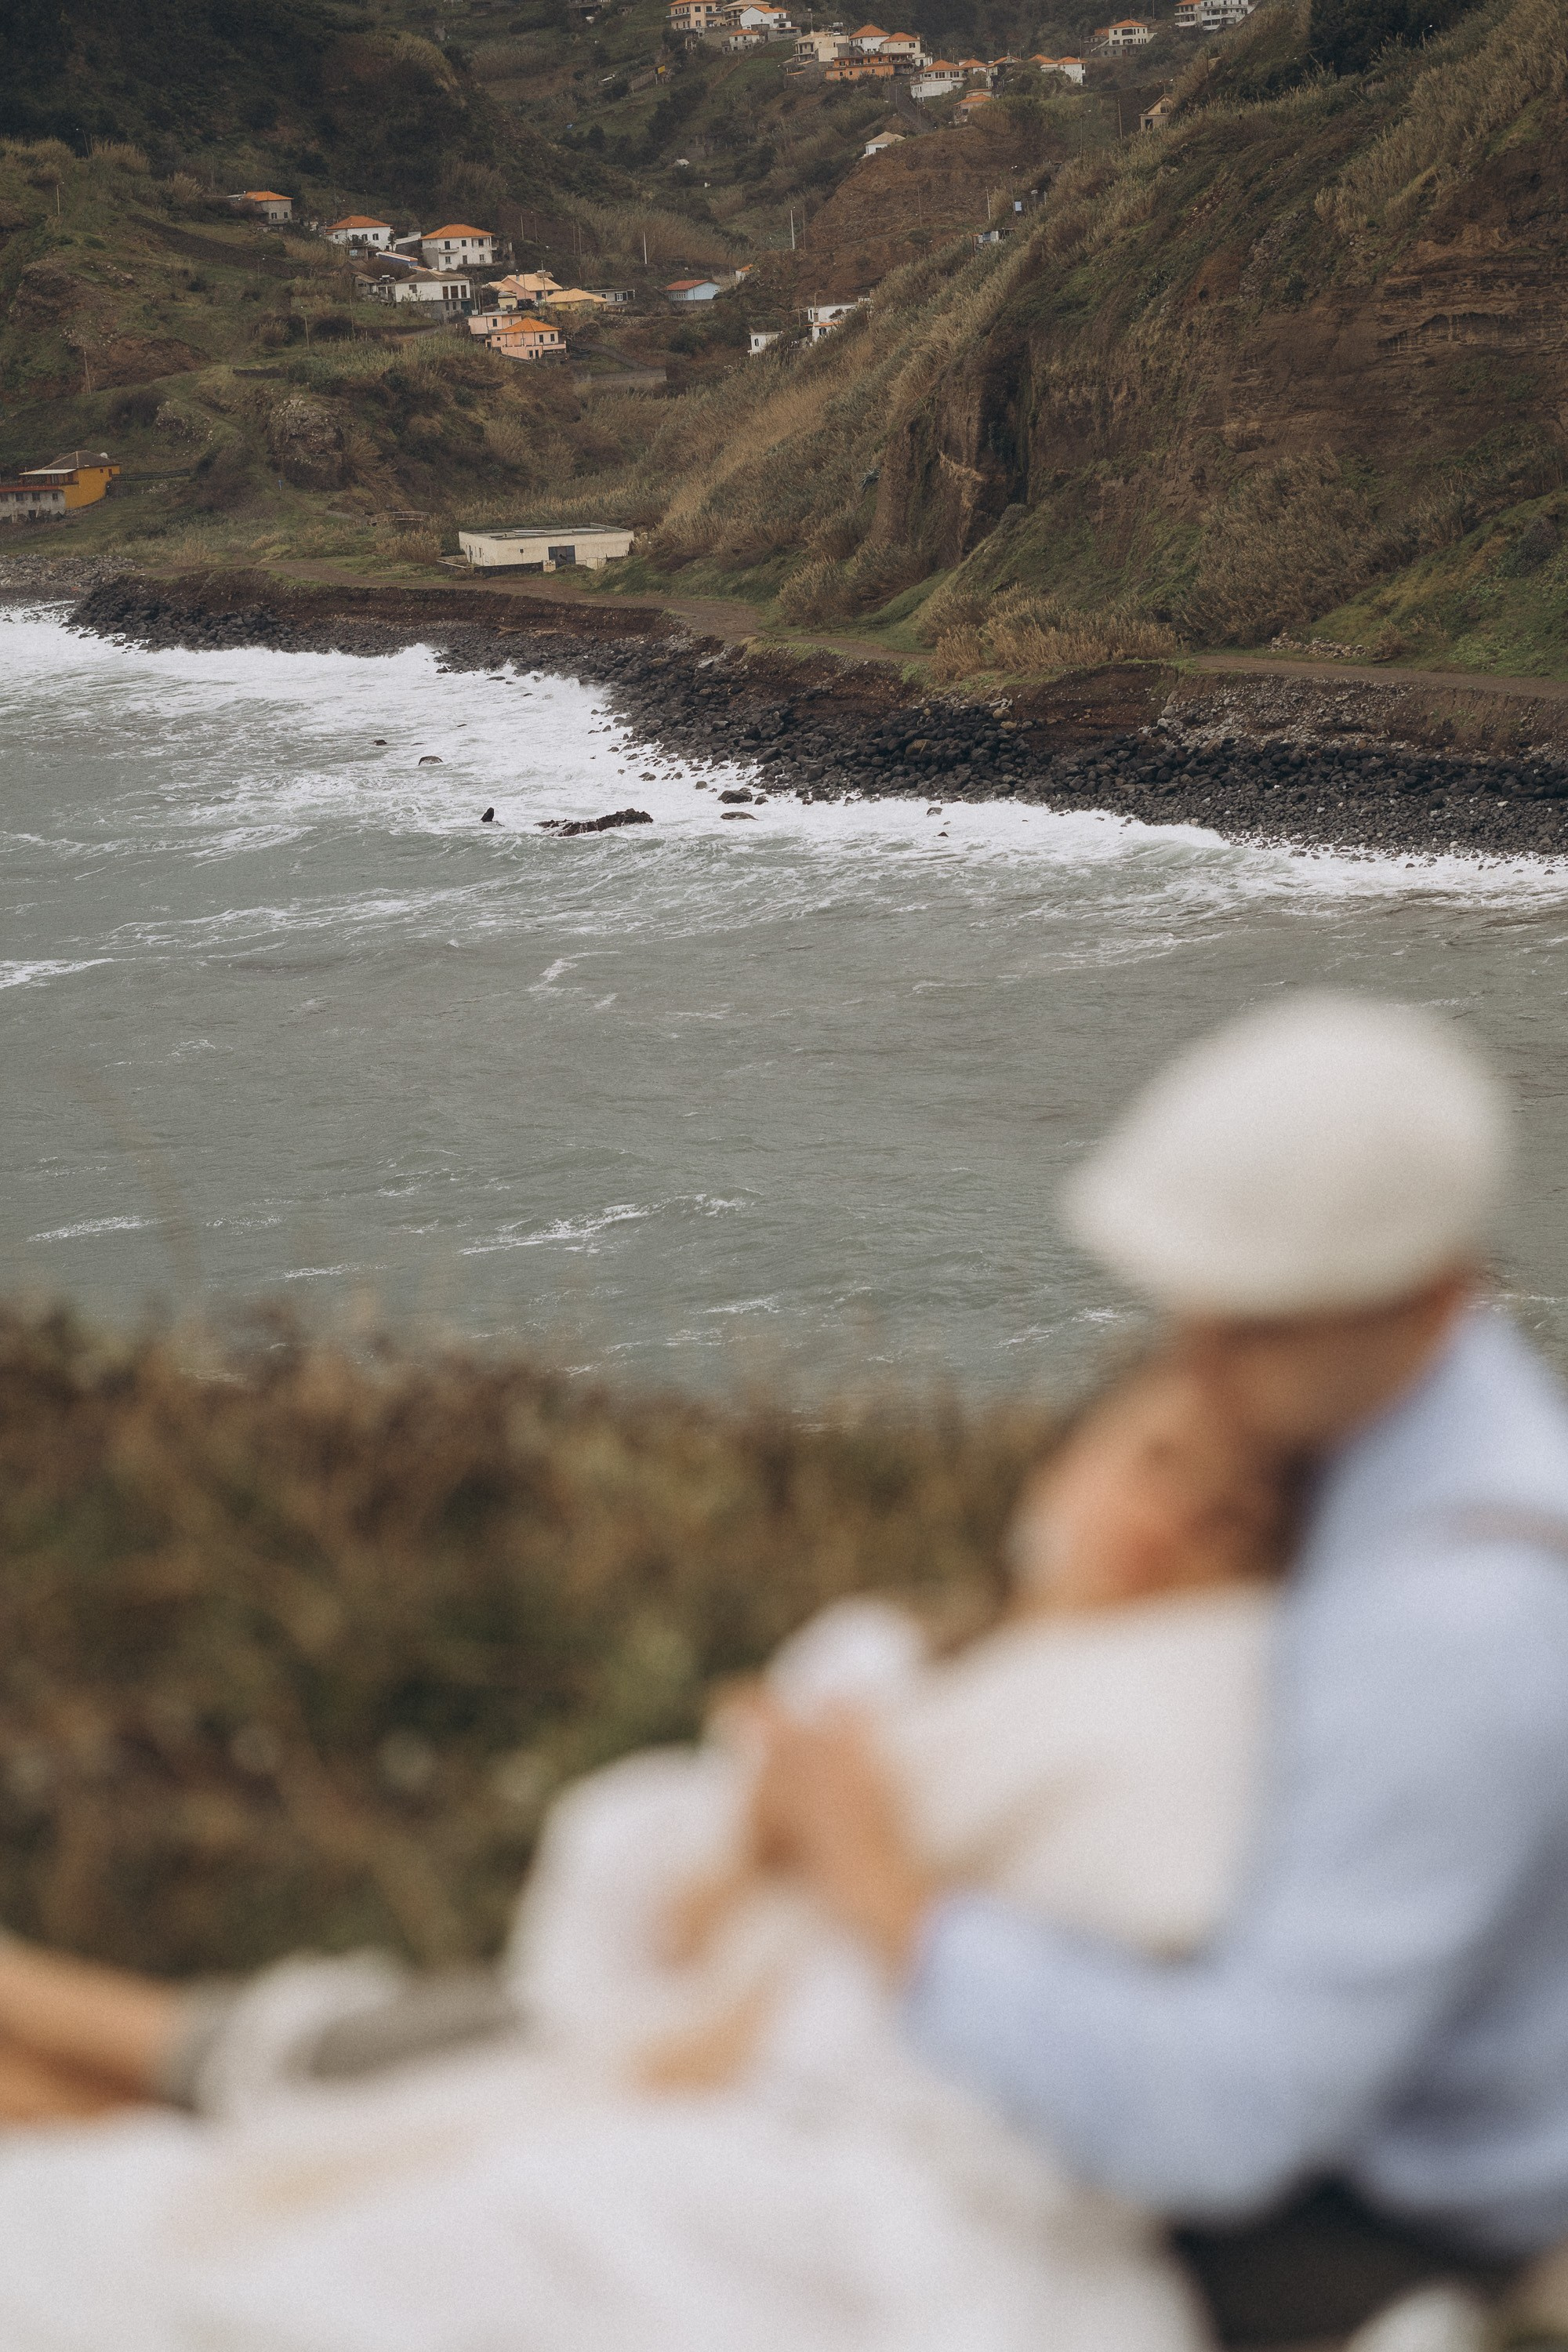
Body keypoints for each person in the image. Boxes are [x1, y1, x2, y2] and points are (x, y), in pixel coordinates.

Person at [0, 1367, 1294, 2352]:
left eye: (1229, 1517)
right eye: (1154, 1463)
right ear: (1063, 1463)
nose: (1167, 1522)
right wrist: (761, 1844)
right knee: (234, 2114)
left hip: (679, 2090)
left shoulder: (1154, 1751)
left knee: (211, 2145)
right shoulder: (889, 1666)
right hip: (597, 2037)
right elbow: (661, 1934)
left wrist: (852, 1860)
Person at [750, 993, 1568, 2350]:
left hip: (1404, 2218)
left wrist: (889, 1895)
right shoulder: (1432, 1449)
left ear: (1431, 1295)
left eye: (1258, 1324)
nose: (1193, 1358)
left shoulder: (1455, 1623)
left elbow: (1232, 2117)